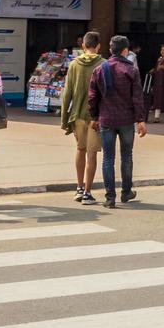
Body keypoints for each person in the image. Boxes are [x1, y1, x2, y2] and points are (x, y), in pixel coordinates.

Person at [88, 34, 147, 208]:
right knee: (127, 157)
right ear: (125, 50)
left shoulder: (100, 69)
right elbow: (137, 98)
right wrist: (141, 120)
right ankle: (126, 191)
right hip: (126, 120)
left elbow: (92, 97)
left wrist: (94, 117)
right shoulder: (131, 70)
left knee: (108, 159)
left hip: (106, 120)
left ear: (110, 50)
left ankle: (110, 197)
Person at [60, 31, 104, 204]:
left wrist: (64, 119)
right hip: (95, 116)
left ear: (83, 46)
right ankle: (87, 192)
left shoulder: (74, 65)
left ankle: (78, 187)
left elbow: (67, 93)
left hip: (77, 114)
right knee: (92, 154)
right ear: (99, 45)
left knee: (80, 149)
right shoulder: (103, 64)